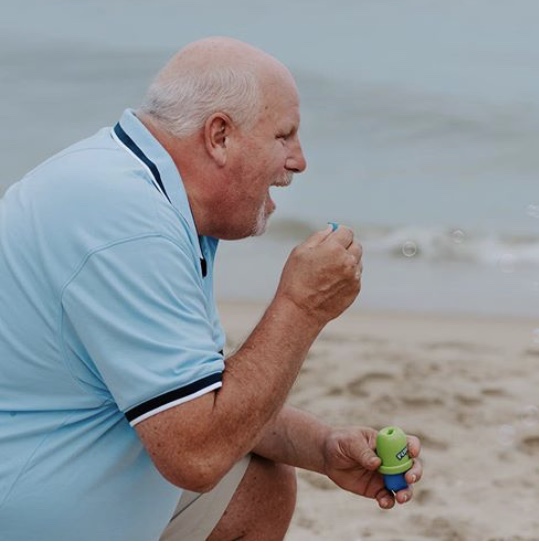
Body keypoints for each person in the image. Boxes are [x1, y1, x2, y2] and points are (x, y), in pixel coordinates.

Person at [0, 36, 422, 540]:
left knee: (256, 483)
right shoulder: (128, 225)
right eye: (284, 136)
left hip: (54, 462)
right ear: (219, 135)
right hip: (26, 510)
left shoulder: (139, 185)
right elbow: (195, 454)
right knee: (224, 468)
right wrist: (302, 305)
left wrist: (324, 446)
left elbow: (195, 395)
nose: (299, 161)